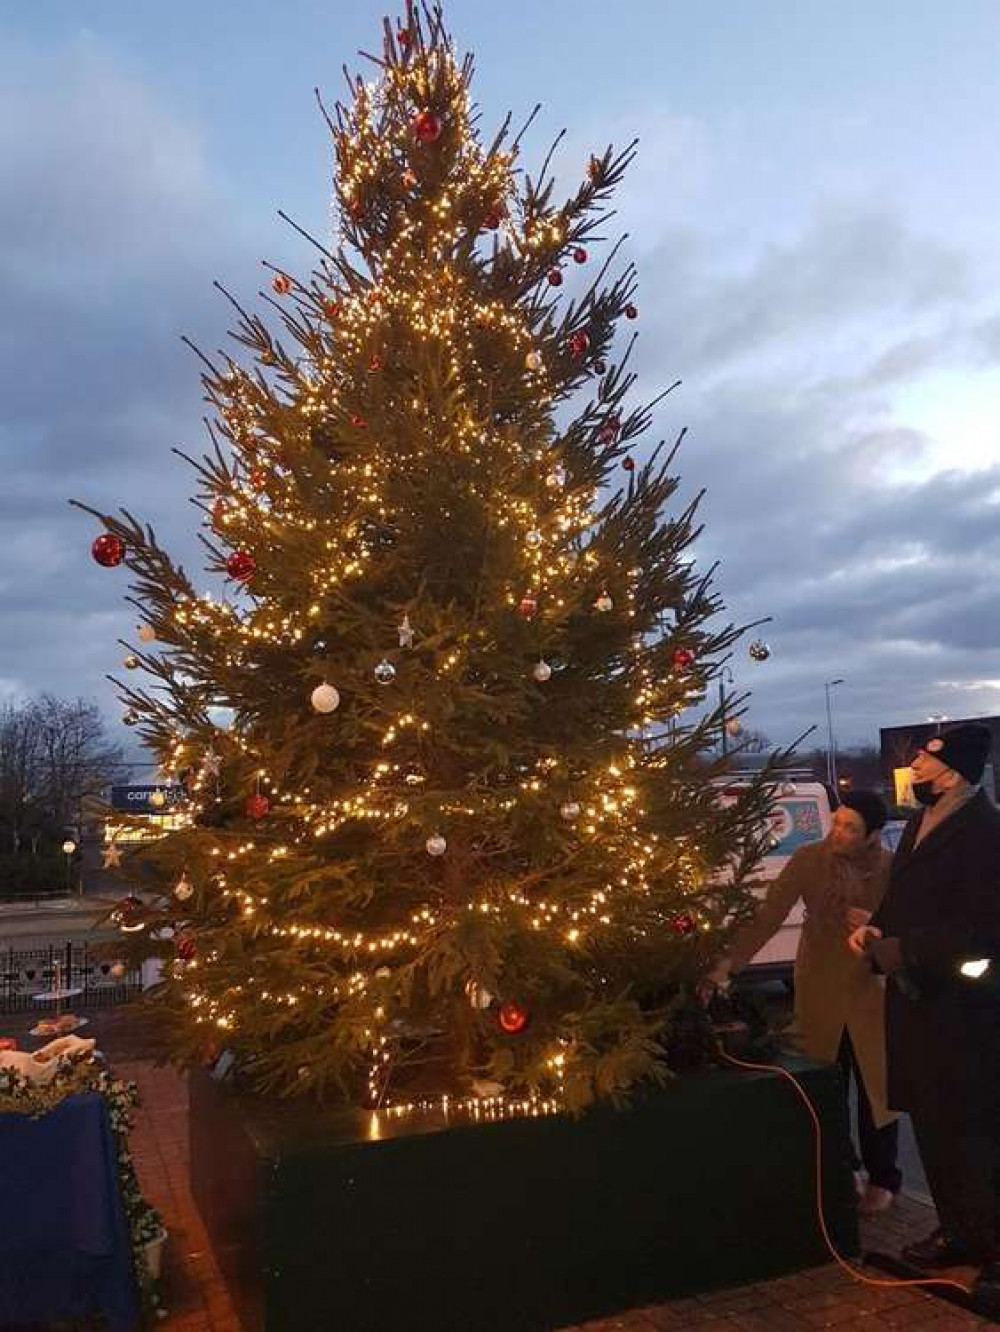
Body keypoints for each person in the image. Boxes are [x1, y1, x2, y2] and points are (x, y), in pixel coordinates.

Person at [850, 724, 1000, 1314]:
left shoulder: (985, 833)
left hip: (961, 1013)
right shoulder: (921, 820)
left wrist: (901, 951)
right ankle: (959, 1232)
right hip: (918, 1006)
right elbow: (905, 896)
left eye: (926, 761)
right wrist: (877, 928)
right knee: (936, 1129)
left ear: (954, 772)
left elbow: (980, 929)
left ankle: (995, 1249)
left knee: (975, 1135)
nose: (914, 766)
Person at [710, 789, 901, 1213]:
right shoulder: (809, 860)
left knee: (877, 1089)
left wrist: (876, 923)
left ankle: (885, 1176)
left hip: (870, 989)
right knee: (826, 1081)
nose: (839, 833)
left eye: (851, 828)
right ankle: (843, 1165)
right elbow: (769, 914)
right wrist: (729, 963)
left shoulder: (889, 867)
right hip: (819, 983)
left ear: (872, 835)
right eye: (836, 822)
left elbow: (908, 920)